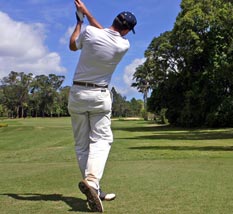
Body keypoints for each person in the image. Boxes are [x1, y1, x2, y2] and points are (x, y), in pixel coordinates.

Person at [68, 0, 137, 212]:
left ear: (114, 21)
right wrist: (87, 14)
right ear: (126, 30)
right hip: (99, 95)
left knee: (82, 144)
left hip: (77, 93)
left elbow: (72, 45)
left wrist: (81, 20)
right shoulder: (123, 45)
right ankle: (93, 182)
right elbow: (107, 34)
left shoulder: (89, 33)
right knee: (102, 139)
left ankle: (94, 189)